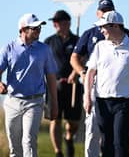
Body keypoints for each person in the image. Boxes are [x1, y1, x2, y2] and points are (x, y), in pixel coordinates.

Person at [83, 10, 129, 157]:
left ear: (115, 26)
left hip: (124, 103)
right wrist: (87, 98)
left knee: (120, 142)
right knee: (106, 142)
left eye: (103, 27)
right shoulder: (100, 47)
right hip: (102, 102)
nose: (101, 30)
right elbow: (90, 73)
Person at [70, 0, 129, 157]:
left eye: (109, 11)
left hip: (118, 87)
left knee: (115, 131)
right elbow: (74, 58)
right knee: (92, 127)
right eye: (103, 11)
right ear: (98, 13)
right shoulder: (90, 33)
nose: (105, 14)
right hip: (95, 84)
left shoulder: (124, 33)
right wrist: (82, 73)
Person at [0, 13, 58, 157]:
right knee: (15, 146)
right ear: (23, 29)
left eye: (39, 27)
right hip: (12, 102)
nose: (39, 30)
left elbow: (51, 77)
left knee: (29, 141)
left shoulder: (44, 49)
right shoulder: (8, 48)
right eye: (34, 28)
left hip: (35, 101)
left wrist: (54, 103)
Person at [44, 10, 83, 157]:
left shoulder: (78, 40)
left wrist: (75, 72)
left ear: (67, 23)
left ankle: (68, 137)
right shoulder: (48, 42)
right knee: (55, 119)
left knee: (74, 121)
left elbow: (83, 58)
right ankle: (58, 152)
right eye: (54, 22)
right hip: (54, 86)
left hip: (73, 85)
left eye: (58, 21)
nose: (55, 24)